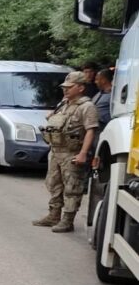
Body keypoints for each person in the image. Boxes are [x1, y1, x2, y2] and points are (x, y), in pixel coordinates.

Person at [33, 71, 100, 232]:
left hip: (72, 152)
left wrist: (83, 153)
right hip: (57, 151)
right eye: (65, 87)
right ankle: (53, 215)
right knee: (54, 184)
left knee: (72, 187)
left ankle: (67, 220)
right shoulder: (64, 103)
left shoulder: (87, 107)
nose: (66, 90)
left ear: (81, 88)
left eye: (70, 87)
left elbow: (90, 130)